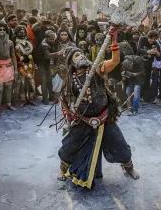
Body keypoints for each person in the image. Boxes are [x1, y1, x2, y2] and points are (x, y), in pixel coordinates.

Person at [57, 27, 139, 189]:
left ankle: (129, 167)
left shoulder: (97, 70)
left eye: (81, 53)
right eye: (76, 55)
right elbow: (65, 100)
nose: (81, 56)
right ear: (71, 63)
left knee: (120, 145)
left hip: (104, 118)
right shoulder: (70, 80)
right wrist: (69, 113)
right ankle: (62, 169)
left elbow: (115, 61)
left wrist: (114, 41)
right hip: (83, 120)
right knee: (68, 146)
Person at [0, 21, 18, 117]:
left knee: (9, 86)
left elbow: (13, 56)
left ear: (6, 31)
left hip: (9, 66)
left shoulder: (10, 42)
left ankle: (9, 105)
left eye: (4, 29)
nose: (2, 31)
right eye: (0, 29)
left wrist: (16, 70)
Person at [14, 25, 36, 107]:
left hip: (30, 64)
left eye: (24, 32)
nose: (22, 33)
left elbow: (33, 53)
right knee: (22, 83)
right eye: (20, 32)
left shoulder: (29, 42)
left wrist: (34, 63)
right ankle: (23, 100)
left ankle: (30, 99)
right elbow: (13, 55)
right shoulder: (14, 42)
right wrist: (17, 62)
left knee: (30, 82)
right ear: (16, 33)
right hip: (21, 64)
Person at [40, 30, 64, 104]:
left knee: (50, 81)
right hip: (43, 64)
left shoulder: (55, 41)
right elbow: (47, 55)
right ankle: (45, 98)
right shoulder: (44, 45)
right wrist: (58, 53)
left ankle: (51, 96)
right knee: (44, 82)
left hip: (51, 64)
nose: (53, 40)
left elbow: (60, 47)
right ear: (46, 38)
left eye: (54, 39)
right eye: (51, 39)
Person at [137, 30, 161, 103]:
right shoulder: (143, 39)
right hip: (139, 63)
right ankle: (138, 96)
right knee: (139, 81)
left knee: (147, 81)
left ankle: (146, 98)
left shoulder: (156, 44)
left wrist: (157, 53)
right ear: (148, 37)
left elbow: (158, 59)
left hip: (148, 65)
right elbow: (139, 50)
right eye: (151, 39)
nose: (152, 41)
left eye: (154, 39)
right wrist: (147, 51)